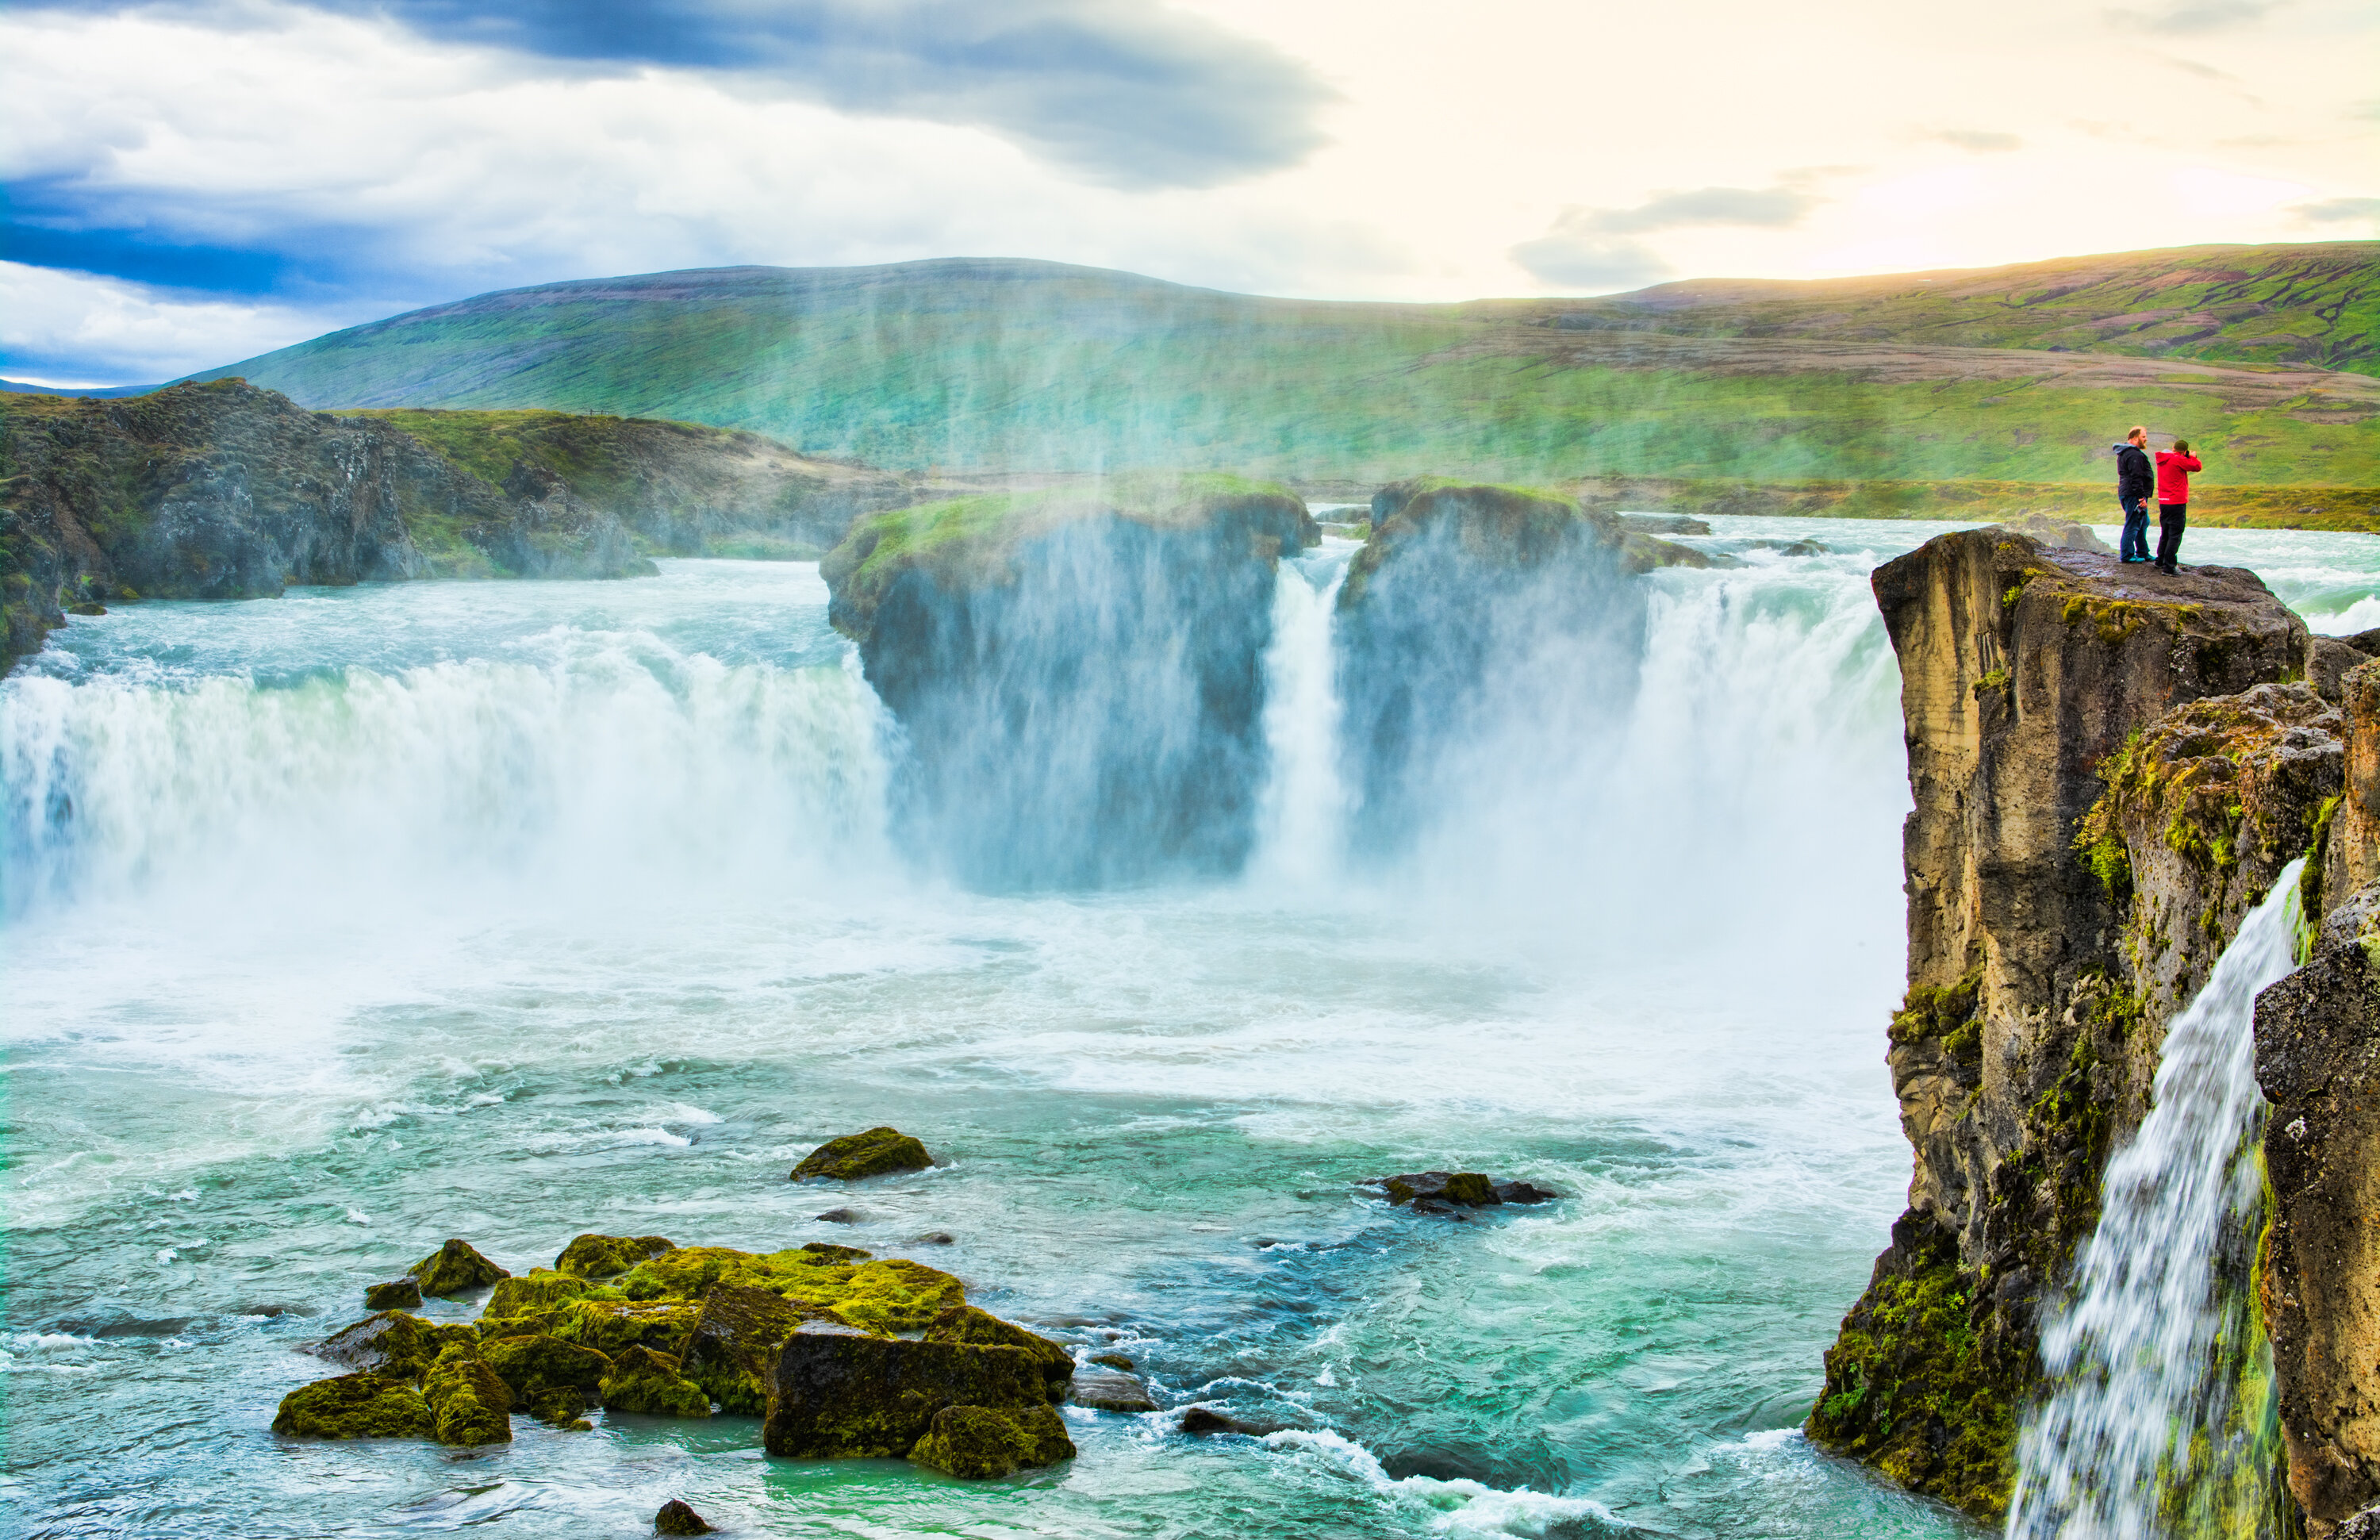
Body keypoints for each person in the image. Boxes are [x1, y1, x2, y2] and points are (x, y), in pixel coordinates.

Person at [2154, 437, 2202, 574]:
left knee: (2166, 532)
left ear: (2173, 448)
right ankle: (2169, 567)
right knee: (2175, 534)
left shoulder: (2163, 459)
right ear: (2184, 451)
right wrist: (2193, 457)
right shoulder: (2178, 459)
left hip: (2164, 500)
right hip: (2177, 502)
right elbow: (2196, 467)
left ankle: (2160, 560)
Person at [2113, 426, 2153, 563]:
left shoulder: (2127, 453)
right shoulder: (2133, 454)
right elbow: (2136, 477)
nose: (2145, 439)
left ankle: (2143, 552)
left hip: (2130, 492)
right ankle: (2127, 555)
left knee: (2143, 522)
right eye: (2143, 437)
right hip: (2133, 494)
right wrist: (2141, 497)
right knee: (2133, 523)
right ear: (2135, 438)